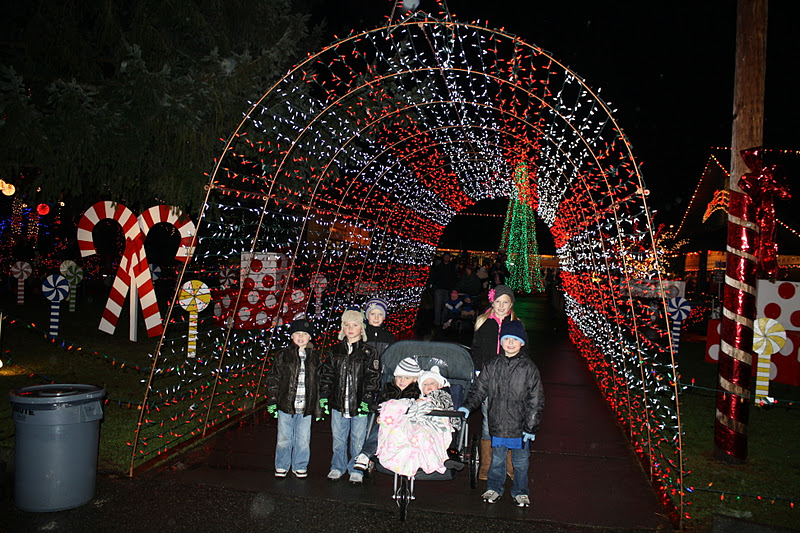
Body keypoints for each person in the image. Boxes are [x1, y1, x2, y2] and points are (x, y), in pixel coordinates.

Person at [459, 320, 544, 507]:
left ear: (522, 343)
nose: (510, 343)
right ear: (501, 341)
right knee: (497, 459)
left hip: (520, 427)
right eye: (507, 339)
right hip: (498, 424)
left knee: (521, 462)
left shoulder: (528, 368)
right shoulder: (492, 365)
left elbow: (536, 400)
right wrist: (467, 406)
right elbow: (479, 389)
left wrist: (531, 426)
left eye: (515, 340)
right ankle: (494, 487)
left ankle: (521, 490)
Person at [320, 309, 381, 484]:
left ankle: (356, 468)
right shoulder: (335, 351)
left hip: (358, 404)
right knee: (338, 438)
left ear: (361, 328)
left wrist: (367, 398)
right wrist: (324, 394)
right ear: (342, 328)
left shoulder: (369, 352)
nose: (350, 328)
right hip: (338, 404)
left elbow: (373, 378)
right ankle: (337, 466)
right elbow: (327, 374)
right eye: (347, 325)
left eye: (354, 325)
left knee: (358, 439)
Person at [471, 284, 519, 480]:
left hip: (510, 381)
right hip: (489, 379)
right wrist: (478, 372)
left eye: (505, 302)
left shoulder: (515, 324)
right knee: (488, 421)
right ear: (492, 302)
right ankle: (487, 463)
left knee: (510, 421)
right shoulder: (484, 323)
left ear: (511, 304)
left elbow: (524, 351)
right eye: (498, 301)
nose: (501, 306)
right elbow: (476, 349)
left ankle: (508, 462)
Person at [266, 317, 322, 478]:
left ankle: (300, 464)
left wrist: (318, 406)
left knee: (303, 438)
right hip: (286, 404)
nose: (301, 337)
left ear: (310, 337)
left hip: (306, 406)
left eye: (304, 334)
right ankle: (282, 464)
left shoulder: (315, 357)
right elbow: (274, 378)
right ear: (291, 336)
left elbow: (319, 382)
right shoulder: (283, 355)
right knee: (284, 437)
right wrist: (272, 400)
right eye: (297, 333)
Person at [353, 357, 422, 472]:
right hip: (387, 422)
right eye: (399, 377)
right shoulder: (388, 388)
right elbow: (381, 403)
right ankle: (365, 455)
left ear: (415, 379)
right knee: (378, 430)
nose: (402, 381)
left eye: (407, 378)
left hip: (406, 424)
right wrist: (380, 414)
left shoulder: (416, 392)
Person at [428, 251, 459, 326]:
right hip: (439, 289)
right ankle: (437, 322)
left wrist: (452, 288)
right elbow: (433, 277)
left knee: (446, 307)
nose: (447, 258)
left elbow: (455, 278)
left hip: (447, 290)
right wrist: (434, 286)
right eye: (445, 256)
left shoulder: (452, 268)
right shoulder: (438, 267)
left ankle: (443, 321)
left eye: (448, 257)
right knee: (438, 307)